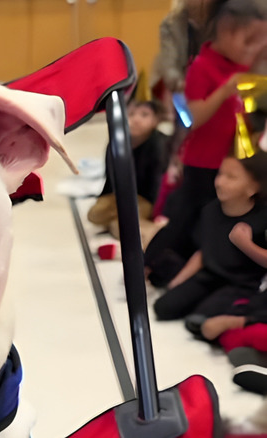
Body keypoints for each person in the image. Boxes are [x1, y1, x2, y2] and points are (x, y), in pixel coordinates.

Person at [144, 0, 267, 287]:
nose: (252, 50)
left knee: (216, 220)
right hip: (203, 161)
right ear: (224, 33)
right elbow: (193, 117)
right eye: (248, 41)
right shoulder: (202, 67)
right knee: (187, 215)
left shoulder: (240, 65)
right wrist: (225, 90)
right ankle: (148, 264)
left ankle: (202, 268)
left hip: (233, 158)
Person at [153, 153, 267, 323]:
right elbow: (204, 251)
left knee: (201, 318)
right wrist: (178, 281)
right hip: (209, 276)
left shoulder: (261, 218)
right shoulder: (210, 211)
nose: (220, 182)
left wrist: (246, 245)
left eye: (231, 178)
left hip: (241, 285)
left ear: (253, 188)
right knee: (163, 307)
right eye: (220, 174)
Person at [87, 100, 168, 246]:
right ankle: (121, 220)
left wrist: (156, 213)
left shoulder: (159, 145)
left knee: (125, 226)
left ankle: (139, 226)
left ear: (155, 120)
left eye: (144, 115)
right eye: (131, 114)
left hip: (145, 199)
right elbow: (110, 178)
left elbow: (158, 183)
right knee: (94, 214)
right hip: (119, 196)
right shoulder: (117, 140)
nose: (136, 119)